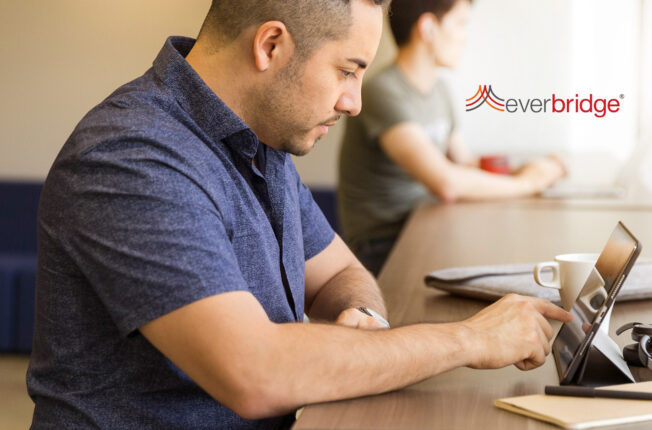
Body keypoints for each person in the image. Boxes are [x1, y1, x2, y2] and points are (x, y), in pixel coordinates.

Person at [27, 1, 572, 429]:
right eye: (347, 71)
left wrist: (365, 320)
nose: (354, 102)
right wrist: (471, 340)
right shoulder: (131, 157)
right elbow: (254, 371)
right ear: (271, 45)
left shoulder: (261, 142)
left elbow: (339, 272)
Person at [338, 0, 567, 275]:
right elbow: (446, 182)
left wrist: (526, 168)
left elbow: (464, 163)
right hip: (384, 245)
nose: (464, 37)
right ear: (428, 28)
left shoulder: (440, 91)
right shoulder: (382, 92)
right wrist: (528, 183)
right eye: (460, 24)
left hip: (427, 225)